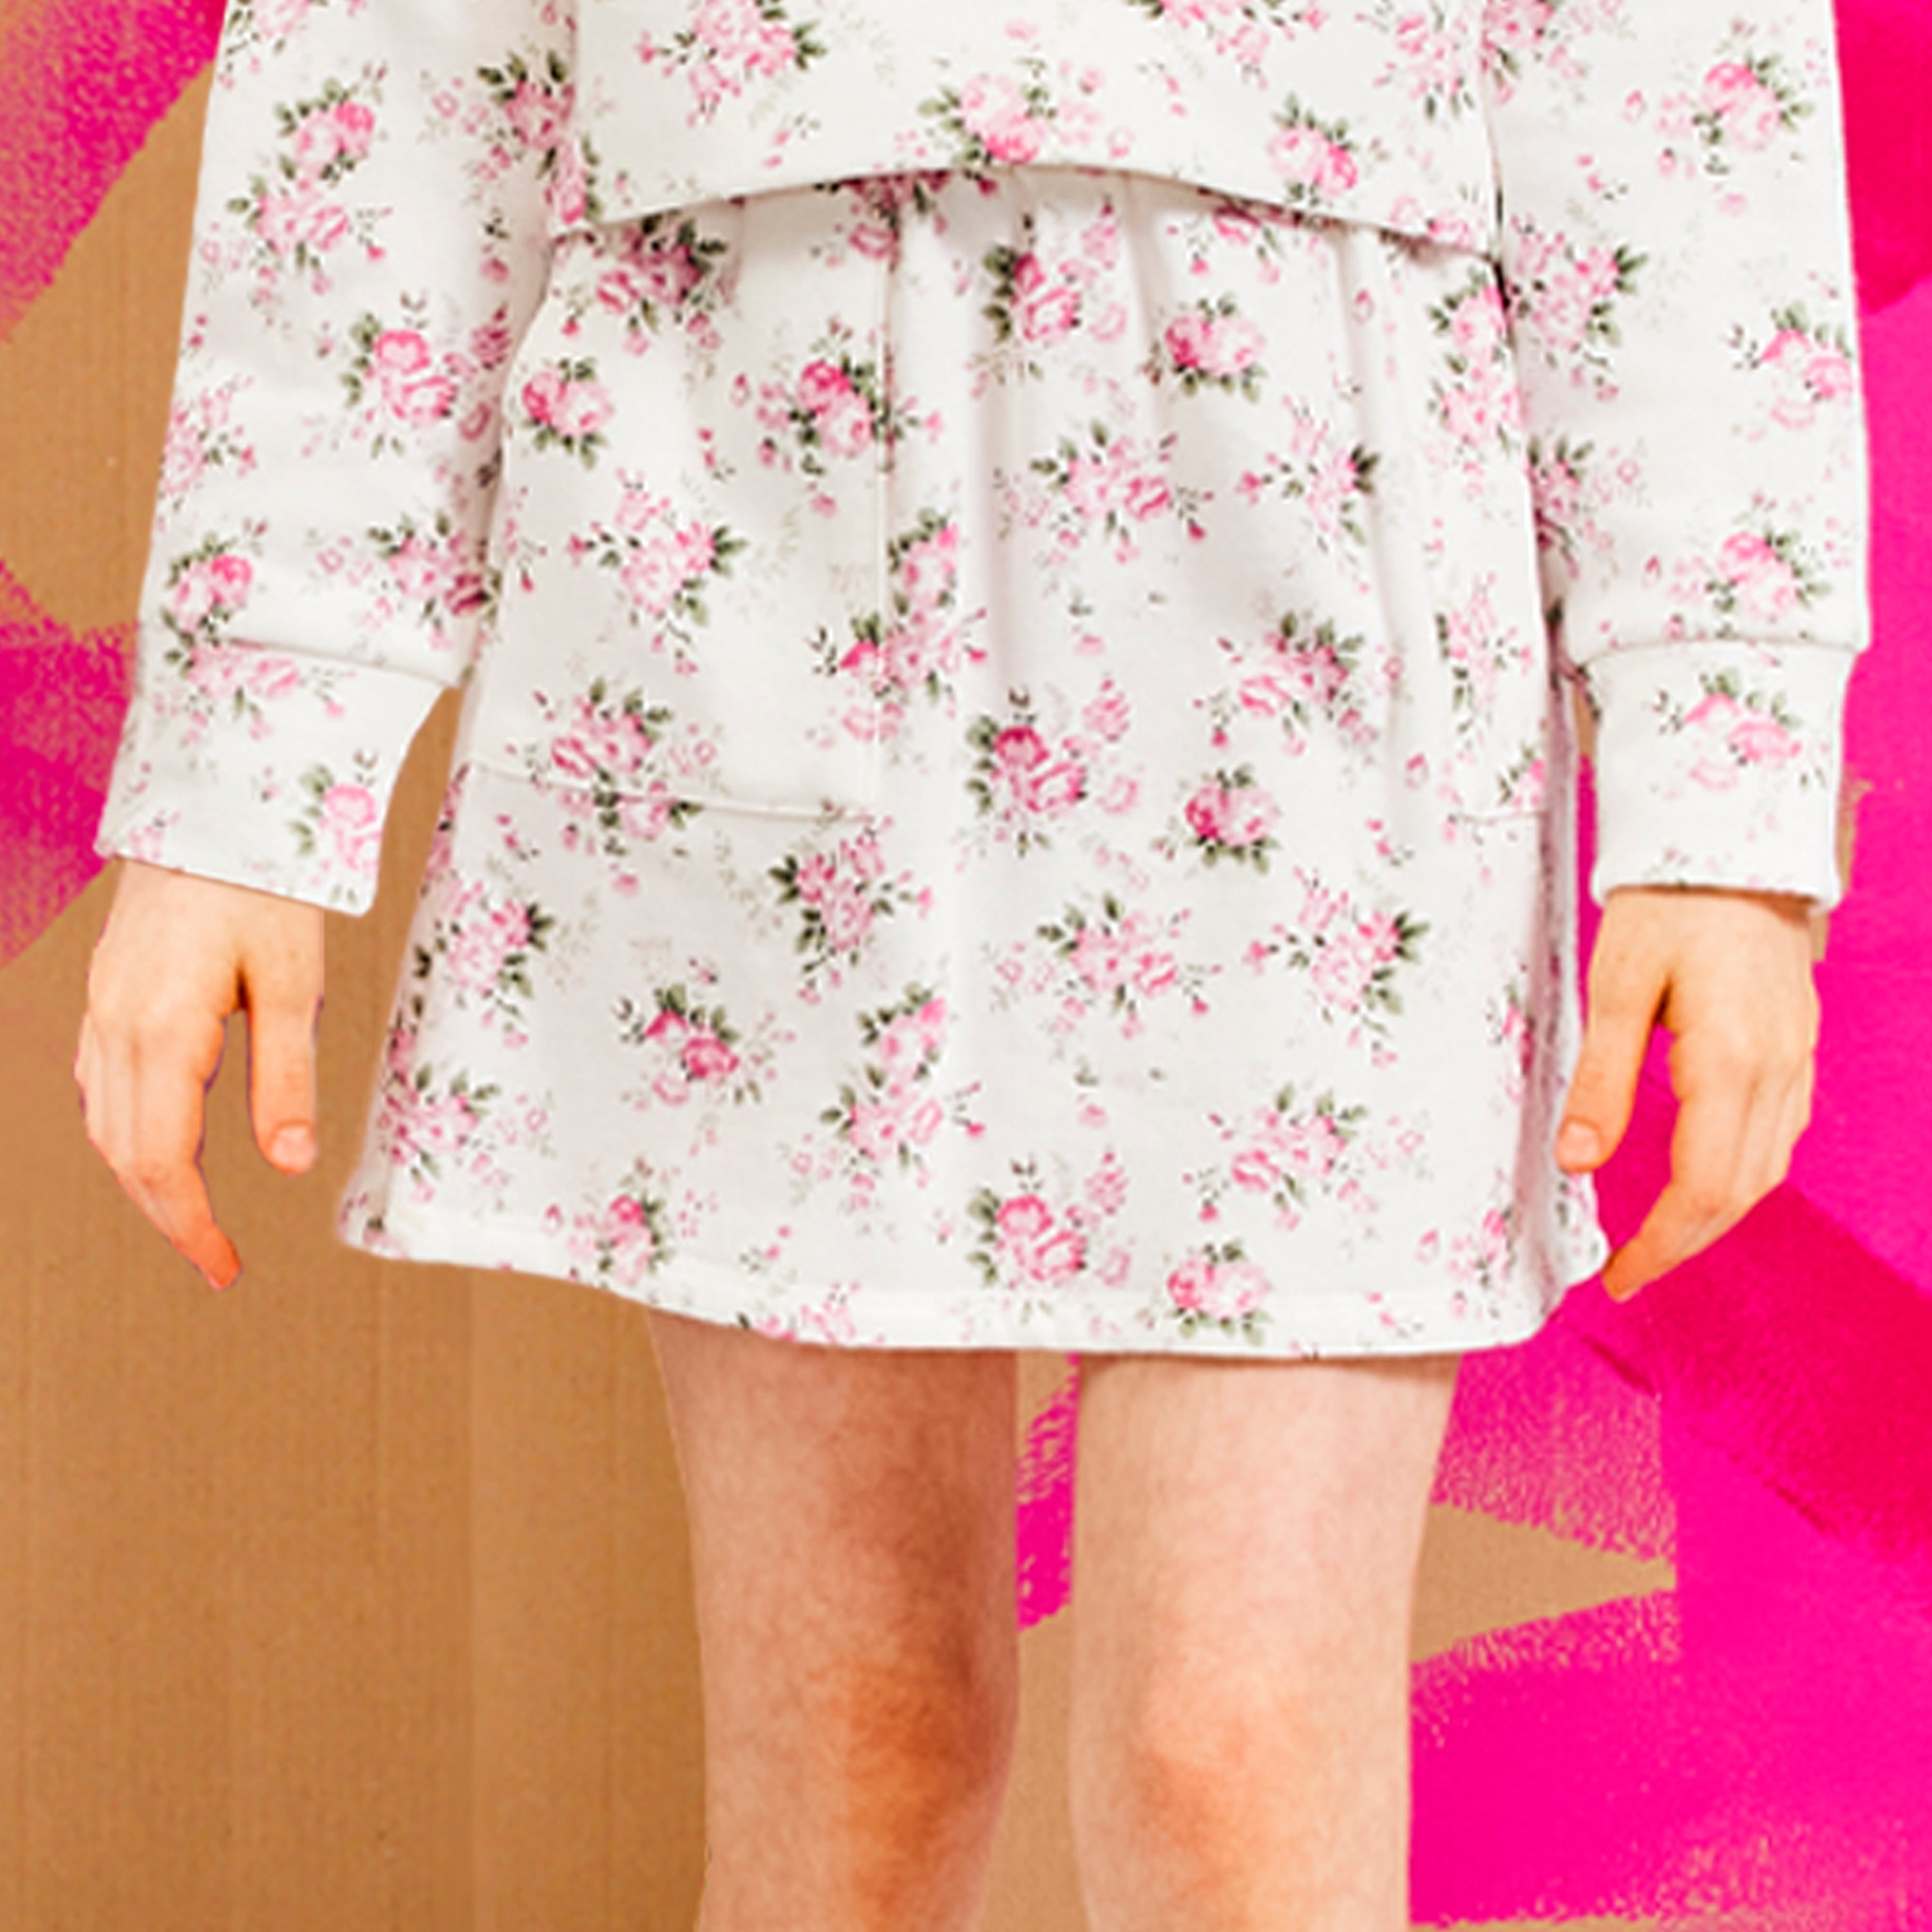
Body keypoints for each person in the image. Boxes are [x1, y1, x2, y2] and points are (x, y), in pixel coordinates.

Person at [75, 0, 1867, 1925]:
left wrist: (1725, 783)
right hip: (745, 529)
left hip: (1315, 613)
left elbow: (1667, 85)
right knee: (865, 1743)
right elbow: (399, 80)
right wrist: (242, 774)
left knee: (1230, 1768)